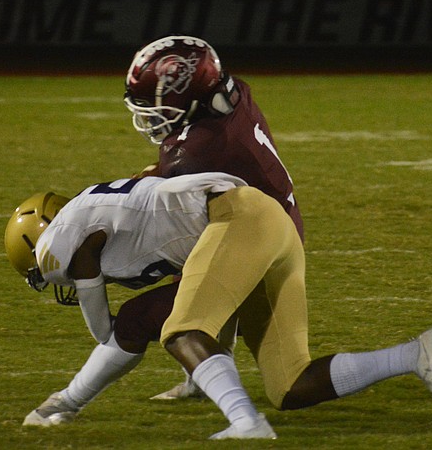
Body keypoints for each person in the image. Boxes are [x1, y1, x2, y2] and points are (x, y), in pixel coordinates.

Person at [4, 172, 432, 440]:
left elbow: (107, 330)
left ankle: (246, 424)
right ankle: (418, 353)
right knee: (290, 385)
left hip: (237, 218)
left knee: (175, 329)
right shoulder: (95, 219)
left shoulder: (61, 241)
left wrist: (72, 387)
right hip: (262, 228)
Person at [49, 35, 302, 402]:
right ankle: (200, 381)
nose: (149, 117)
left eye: (157, 107)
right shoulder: (231, 95)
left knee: (144, 316)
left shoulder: (193, 154)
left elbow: (158, 205)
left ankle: (64, 404)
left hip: (258, 247)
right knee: (187, 261)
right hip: (274, 225)